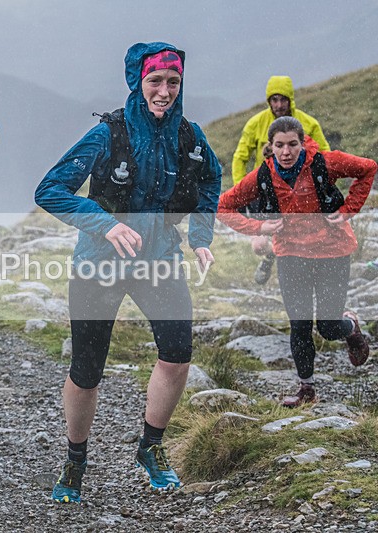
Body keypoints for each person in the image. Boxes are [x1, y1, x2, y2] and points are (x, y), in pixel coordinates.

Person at [35, 42, 221, 501]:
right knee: (87, 370)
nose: (164, 91)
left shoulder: (189, 137)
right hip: (98, 264)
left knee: (178, 355)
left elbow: (212, 181)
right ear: (137, 82)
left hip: (159, 262)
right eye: (155, 81)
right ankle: (75, 460)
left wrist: (199, 237)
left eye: (173, 82)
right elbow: (49, 189)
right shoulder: (107, 135)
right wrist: (104, 223)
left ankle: (150, 446)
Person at [219, 116, 375, 407]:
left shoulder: (325, 163)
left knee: (328, 327)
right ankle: (307, 390)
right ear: (271, 147)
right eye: (279, 145)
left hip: (333, 251)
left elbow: (367, 169)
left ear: (302, 143)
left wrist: (349, 210)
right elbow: (223, 206)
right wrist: (258, 228)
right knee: (300, 324)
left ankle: (350, 327)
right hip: (290, 254)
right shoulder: (263, 176)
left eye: (292, 144)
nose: (286, 151)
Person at [232, 76, 330, 285]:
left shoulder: (309, 124)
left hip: (300, 192)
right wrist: (241, 190)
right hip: (264, 191)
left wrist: (322, 187)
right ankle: (270, 256)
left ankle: (298, 279)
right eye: (274, 100)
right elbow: (240, 158)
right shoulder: (255, 124)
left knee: (301, 242)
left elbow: (326, 157)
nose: (278, 105)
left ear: (290, 99)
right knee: (259, 245)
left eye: (282, 100)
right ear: (268, 101)